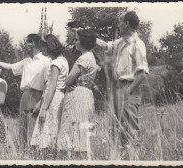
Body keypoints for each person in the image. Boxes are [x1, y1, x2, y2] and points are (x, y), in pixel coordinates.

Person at [0, 34, 51, 152]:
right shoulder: (26, 61)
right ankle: (24, 153)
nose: (25, 45)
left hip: (37, 96)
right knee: (23, 126)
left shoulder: (46, 61)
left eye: (27, 43)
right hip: (25, 95)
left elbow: (48, 84)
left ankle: (34, 154)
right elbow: (10, 67)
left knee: (33, 126)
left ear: (33, 44)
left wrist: (41, 102)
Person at [96, 11, 149, 154]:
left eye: (120, 22)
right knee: (116, 128)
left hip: (129, 89)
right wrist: (87, 36)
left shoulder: (138, 44)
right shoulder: (121, 42)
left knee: (130, 128)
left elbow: (143, 72)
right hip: (117, 88)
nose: (118, 25)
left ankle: (134, 159)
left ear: (126, 24)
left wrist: (129, 90)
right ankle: (120, 158)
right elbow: (106, 46)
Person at [57, 29, 97, 160]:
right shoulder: (91, 56)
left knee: (71, 128)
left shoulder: (83, 58)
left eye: (76, 39)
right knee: (81, 131)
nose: (74, 42)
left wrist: (70, 80)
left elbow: (69, 79)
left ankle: (70, 159)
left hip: (78, 95)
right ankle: (79, 159)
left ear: (83, 42)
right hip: (86, 94)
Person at [30, 34, 69, 160]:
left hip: (53, 98)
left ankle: (46, 158)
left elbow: (52, 87)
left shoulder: (56, 63)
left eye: (44, 47)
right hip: (58, 96)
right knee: (53, 127)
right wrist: (40, 102)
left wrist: (44, 109)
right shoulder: (63, 60)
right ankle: (51, 157)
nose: (42, 50)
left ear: (49, 47)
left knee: (46, 127)